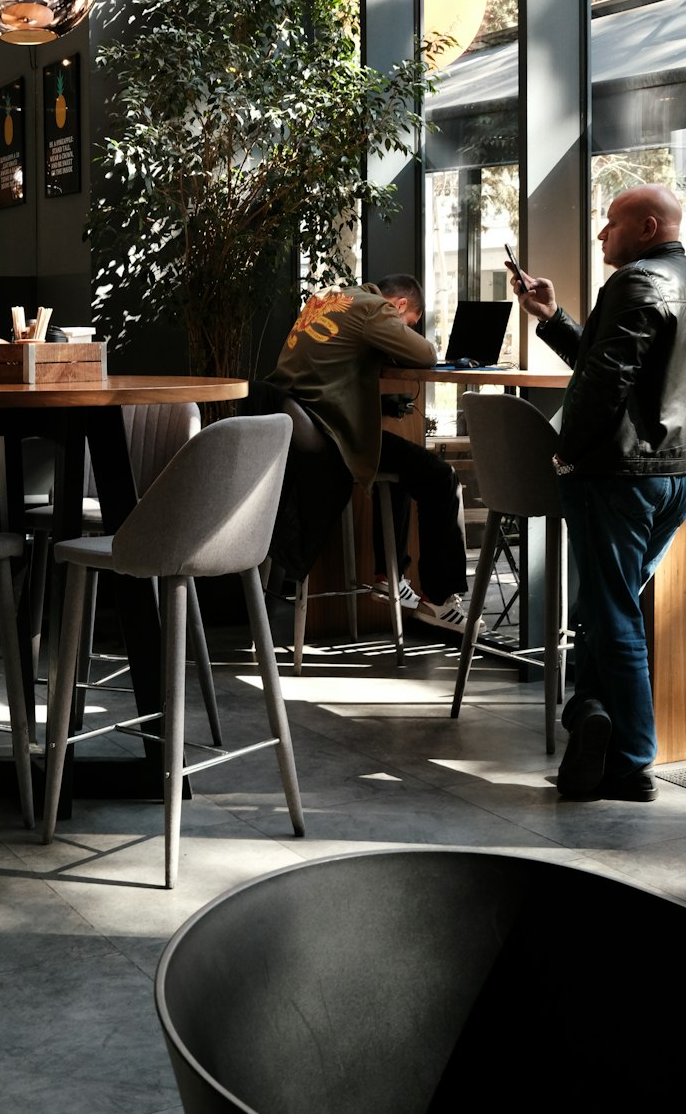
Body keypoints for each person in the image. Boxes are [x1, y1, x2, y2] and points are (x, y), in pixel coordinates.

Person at [510, 183, 686, 802]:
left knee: (611, 612)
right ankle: (591, 714)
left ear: (645, 227)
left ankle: (634, 760)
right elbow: (607, 359)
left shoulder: (636, 282)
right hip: (675, 476)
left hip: (618, 475)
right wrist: (551, 319)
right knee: (609, 607)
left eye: (610, 223)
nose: (601, 234)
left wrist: (566, 452)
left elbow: (606, 378)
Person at [267, 274, 470, 632]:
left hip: (296, 429)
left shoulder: (327, 297)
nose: (403, 330)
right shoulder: (375, 309)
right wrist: (402, 336)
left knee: (402, 467)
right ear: (401, 305)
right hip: (330, 436)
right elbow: (425, 354)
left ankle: (389, 574)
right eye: (408, 324)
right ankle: (439, 600)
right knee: (439, 476)